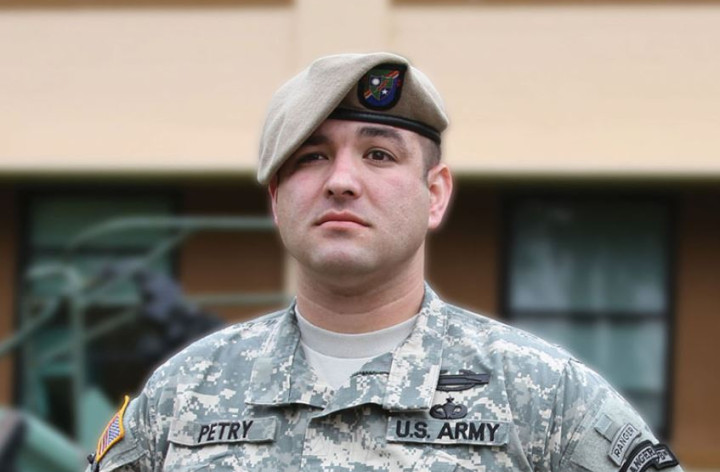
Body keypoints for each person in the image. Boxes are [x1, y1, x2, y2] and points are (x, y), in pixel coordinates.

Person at [86, 52, 682, 472]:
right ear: (276, 199)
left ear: (435, 193)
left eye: (378, 154)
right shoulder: (181, 394)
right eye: (311, 157)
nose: (341, 181)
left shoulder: (545, 396)